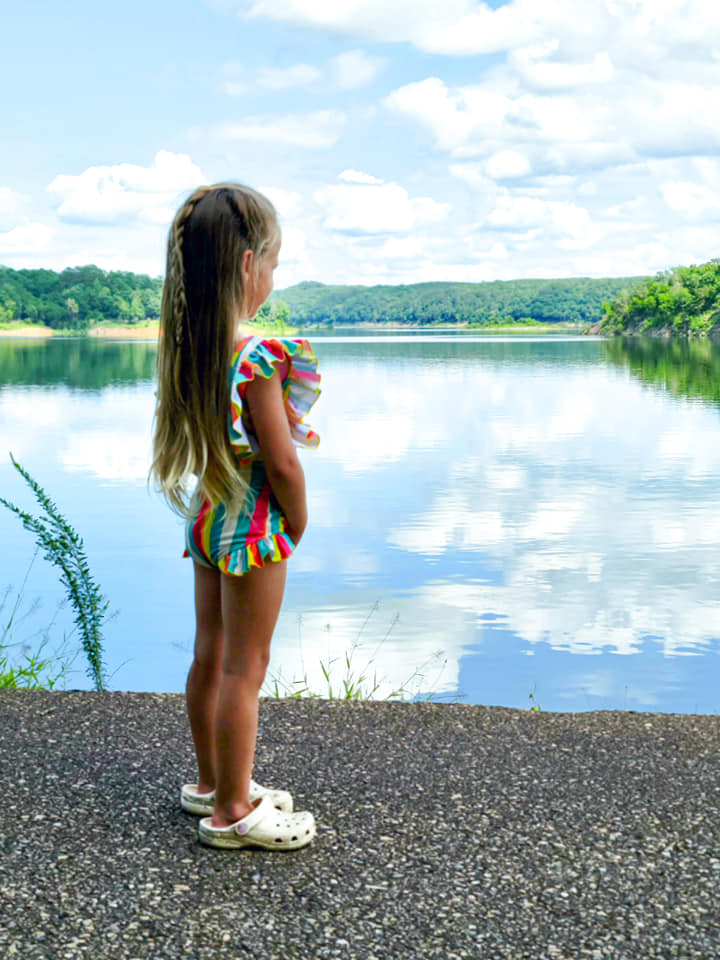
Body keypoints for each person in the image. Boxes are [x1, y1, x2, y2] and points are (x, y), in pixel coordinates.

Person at [151, 183, 321, 850]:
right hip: (252, 522)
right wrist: (297, 521)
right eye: (274, 263)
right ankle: (233, 813)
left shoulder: (191, 345)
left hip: (208, 516)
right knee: (245, 668)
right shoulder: (256, 356)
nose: (274, 277)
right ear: (247, 264)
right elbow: (281, 463)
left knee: (212, 656)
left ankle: (212, 782)